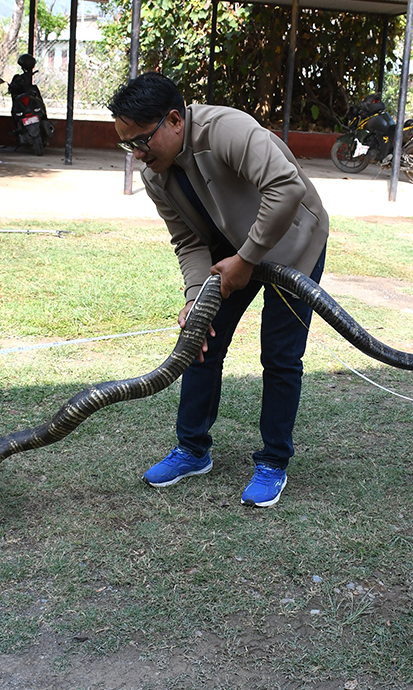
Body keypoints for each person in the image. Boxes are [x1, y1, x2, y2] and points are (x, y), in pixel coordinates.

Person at [107, 72, 329, 508]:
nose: (137, 154)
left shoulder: (226, 129)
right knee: (200, 341)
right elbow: (188, 240)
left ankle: (273, 461)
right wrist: (196, 297)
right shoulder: (156, 175)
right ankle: (192, 450)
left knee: (280, 356)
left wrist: (247, 259)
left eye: (142, 141)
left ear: (175, 120)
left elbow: (287, 187)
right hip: (229, 249)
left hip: (293, 240)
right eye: (127, 145)